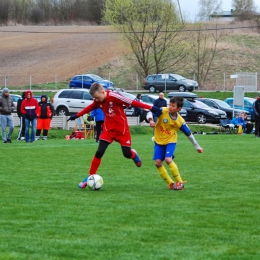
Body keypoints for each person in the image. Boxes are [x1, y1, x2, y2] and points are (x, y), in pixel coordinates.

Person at [67, 82, 153, 189]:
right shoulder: (97, 101)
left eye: (97, 97)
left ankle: (133, 154)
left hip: (122, 131)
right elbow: (89, 108)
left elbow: (133, 102)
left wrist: (151, 108)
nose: (97, 100)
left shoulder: (115, 96)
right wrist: (76, 115)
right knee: (99, 152)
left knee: (126, 154)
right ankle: (90, 176)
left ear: (103, 92)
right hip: (108, 130)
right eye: (95, 98)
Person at [146, 96, 204, 190]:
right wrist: (151, 120)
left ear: (179, 109)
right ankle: (171, 184)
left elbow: (188, 134)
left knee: (168, 159)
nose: (170, 107)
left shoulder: (180, 121)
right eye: (170, 105)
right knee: (157, 163)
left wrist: (197, 146)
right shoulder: (162, 111)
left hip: (170, 141)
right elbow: (149, 111)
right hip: (159, 141)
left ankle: (180, 183)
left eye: (173, 106)